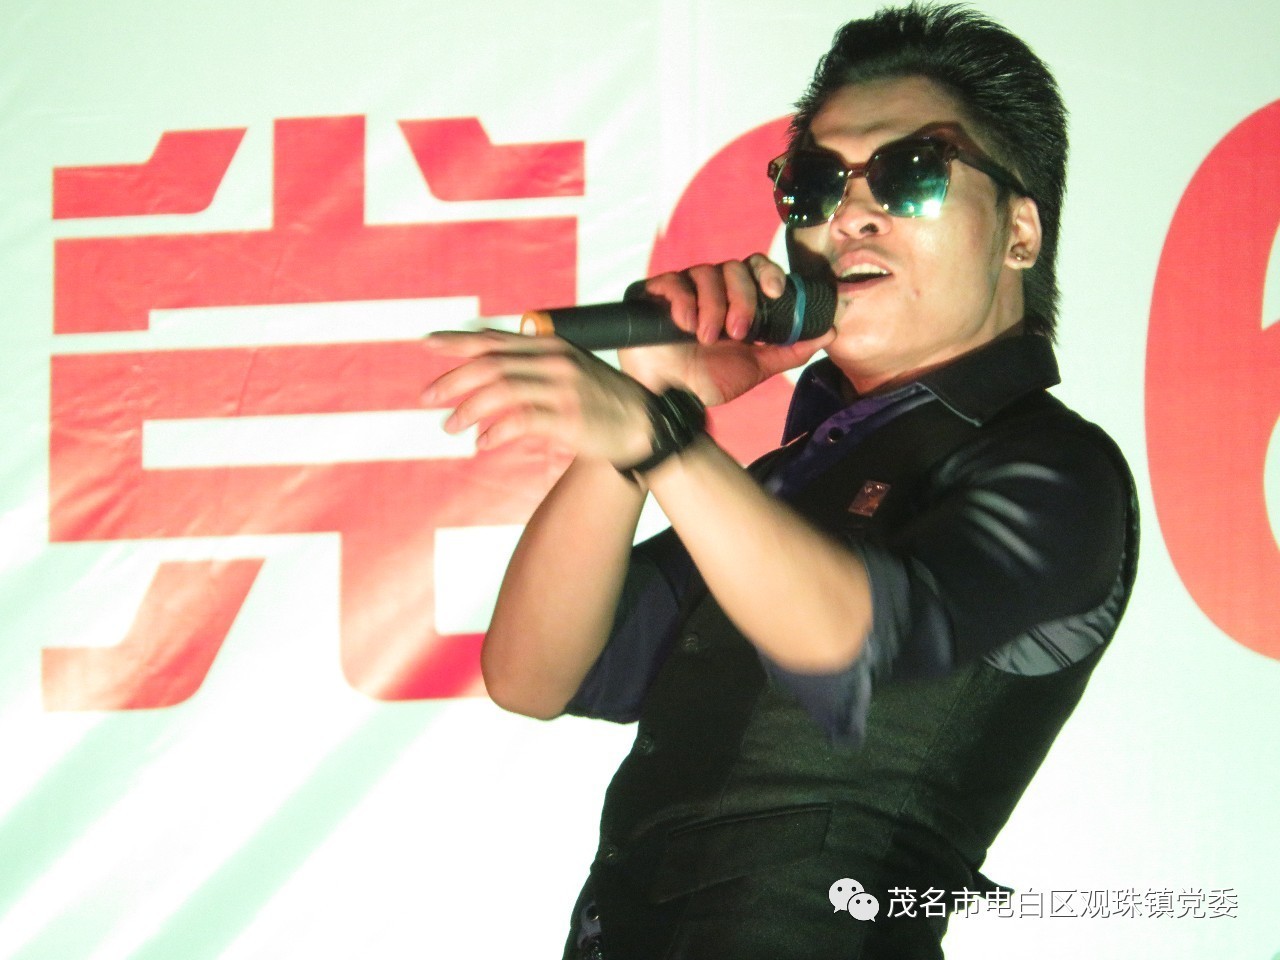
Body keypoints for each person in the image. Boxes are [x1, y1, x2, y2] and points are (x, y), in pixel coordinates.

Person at [424, 3, 1138, 957]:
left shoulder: (1056, 469)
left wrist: (662, 442)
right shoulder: (783, 483)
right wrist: (656, 404)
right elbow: (532, 673)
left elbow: (845, 640)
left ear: (1019, 232)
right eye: (816, 184)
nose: (851, 215)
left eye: (912, 173)